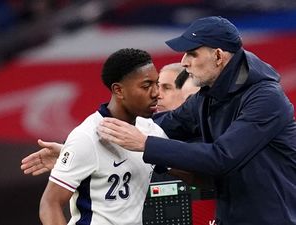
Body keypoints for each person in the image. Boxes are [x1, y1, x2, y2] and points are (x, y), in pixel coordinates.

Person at [97, 16, 296, 225]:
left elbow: (222, 157)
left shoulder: (266, 98)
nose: (184, 62)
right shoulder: (207, 96)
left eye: (192, 53)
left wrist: (144, 144)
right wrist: (87, 141)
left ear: (218, 56)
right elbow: (161, 125)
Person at [36, 48, 170, 225]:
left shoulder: (150, 131)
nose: (156, 93)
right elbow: (50, 203)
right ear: (118, 90)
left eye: (157, 84)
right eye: (146, 86)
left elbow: (190, 175)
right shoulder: (86, 137)